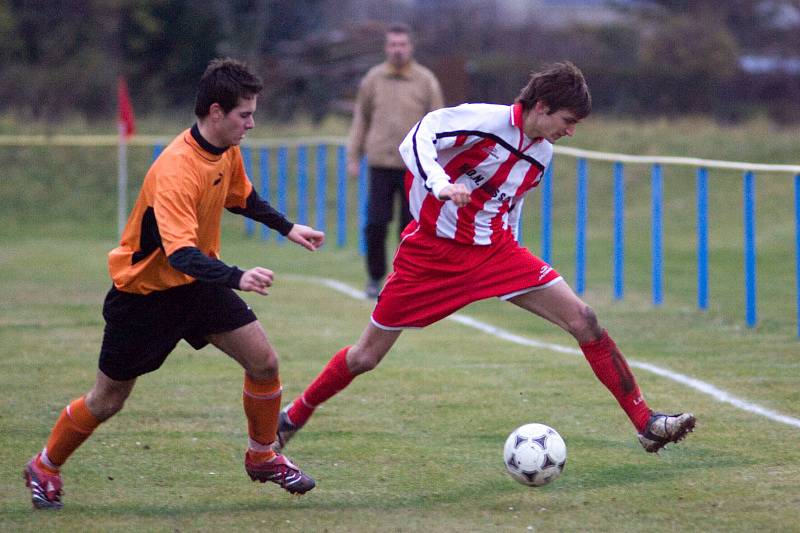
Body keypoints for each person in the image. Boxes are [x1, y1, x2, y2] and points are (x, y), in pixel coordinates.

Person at [274, 62, 696, 461]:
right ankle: (294, 414)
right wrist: (439, 184)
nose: (569, 132)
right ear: (542, 107)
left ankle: (646, 423)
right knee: (365, 357)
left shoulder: (542, 153)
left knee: (584, 319)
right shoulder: (482, 120)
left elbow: (510, 203)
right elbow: (416, 137)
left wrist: (517, 256)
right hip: (431, 257)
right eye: (567, 121)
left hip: (495, 252)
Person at [23, 58, 324, 510]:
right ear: (217, 112)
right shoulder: (176, 169)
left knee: (264, 363)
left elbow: (242, 197)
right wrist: (238, 277)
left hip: (197, 286)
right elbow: (179, 253)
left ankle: (262, 456)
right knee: (107, 400)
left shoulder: (225, 150)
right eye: (245, 114)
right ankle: (44, 465)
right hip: (145, 297)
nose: (252, 123)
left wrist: (286, 227)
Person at [347, 22, 444, 298]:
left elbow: (440, 122)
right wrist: (354, 156)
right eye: (393, 45)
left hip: (415, 167)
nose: (398, 50)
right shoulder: (373, 79)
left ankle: (407, 280)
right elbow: (360, 120)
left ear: (410, 47)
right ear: (386, 47)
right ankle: (375, 277)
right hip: (380, 162)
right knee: (375, 223)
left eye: (402, 45)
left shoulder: (426, 80)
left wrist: (439, 164)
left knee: (411, 228)